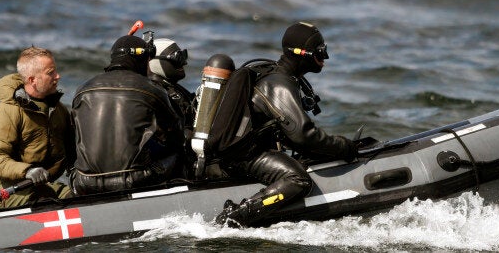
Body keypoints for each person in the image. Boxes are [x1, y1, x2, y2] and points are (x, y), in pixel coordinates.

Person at [215, 22, 357, 227]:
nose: (325, 58)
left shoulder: (281, 78)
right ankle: (234, 218)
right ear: (302, 53)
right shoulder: (278, 83)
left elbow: (293, 137)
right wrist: (345, 147)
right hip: (242, 156)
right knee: (297, 179)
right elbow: (303, 135)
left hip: (247, 152)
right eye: (321, 51)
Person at [71, 34, 185, 195]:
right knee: (181, 152)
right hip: (134, 181)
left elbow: (75, 137)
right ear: (143, 61)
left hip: (84, 181)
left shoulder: (82, 89)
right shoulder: (152, 89)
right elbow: (177, 136)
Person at [0, 46, 76, 208]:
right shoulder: (6, 112)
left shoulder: (59, 110)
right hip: (2, 186)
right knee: (46, 203)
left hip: (42, 185)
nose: (57, 76)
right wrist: (27, 171)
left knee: (80, 196)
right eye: (50, 72)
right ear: (32, 80)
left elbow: (72, 153)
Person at [147, 38, 196, 177]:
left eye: (183, 56)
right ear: (155, 62)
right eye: (177, 58)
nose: (184, 62)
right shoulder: (155, 93)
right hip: (170, 169)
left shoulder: (174, 89)